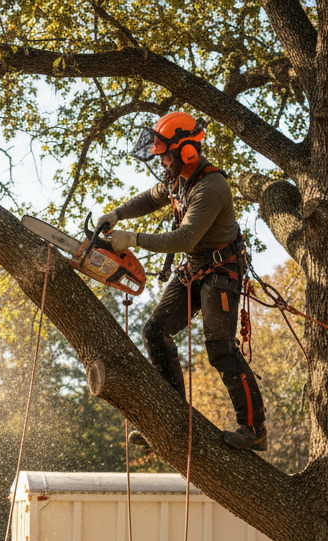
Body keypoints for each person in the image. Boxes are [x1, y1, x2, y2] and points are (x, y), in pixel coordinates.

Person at [98, 111, 267, 451]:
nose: (162, 163)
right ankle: (172, 418)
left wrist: (133, 238)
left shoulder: (211, 186)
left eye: (165, 156)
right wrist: (118, 214)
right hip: (194, 268)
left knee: (221, 349)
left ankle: (254, 428)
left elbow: (185, 238)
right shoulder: (178, 180)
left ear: (186, 151)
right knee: (153, 331)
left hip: (221, 271)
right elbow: (150, 197)